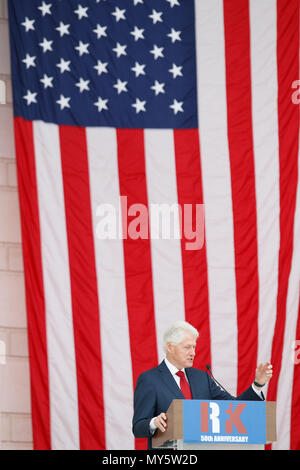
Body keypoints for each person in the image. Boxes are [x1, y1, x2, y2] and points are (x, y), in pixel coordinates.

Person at [132, 320, 273, 447]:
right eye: (187, 347)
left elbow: (235, 409)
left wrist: (257, 385)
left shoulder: (202, 377)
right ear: (170, 347)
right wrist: (153, 423)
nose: (193, 352)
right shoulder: (149, 379)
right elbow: (138, 427)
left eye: (194, 347)